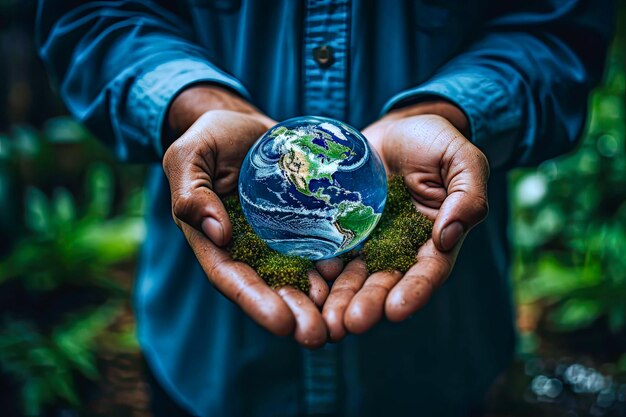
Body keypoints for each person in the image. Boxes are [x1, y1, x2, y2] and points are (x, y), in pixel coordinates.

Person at [36, 1, 612, 416]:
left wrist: (453, 110)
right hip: (207, 365)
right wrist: (193, 103)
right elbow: (89, 15)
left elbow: (557, 27)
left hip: (436, 365)